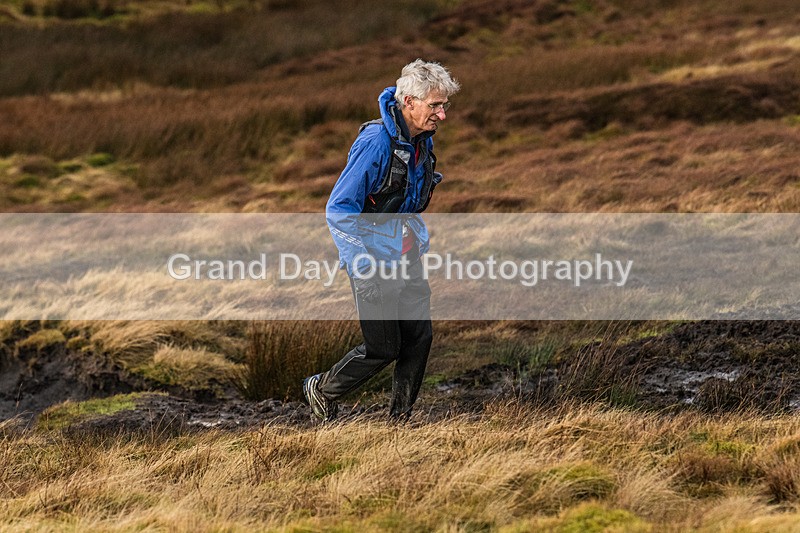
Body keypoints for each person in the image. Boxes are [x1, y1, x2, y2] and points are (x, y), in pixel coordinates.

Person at [303, 59, 460, 422]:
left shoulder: (419, 141)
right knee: (383, 347)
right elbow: (339, 207)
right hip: (372, 260)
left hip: (407, 253)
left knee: (419, 340)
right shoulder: (376, 141)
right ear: (409, 102)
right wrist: (362, 268)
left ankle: (399, 422)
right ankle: (322, 389)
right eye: (435, 105)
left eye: (444, 105)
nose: (442, 114)